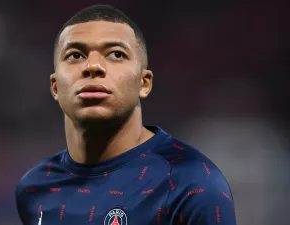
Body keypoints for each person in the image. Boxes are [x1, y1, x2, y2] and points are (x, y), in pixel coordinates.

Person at [15, 4, 236, 225]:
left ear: (144, 83)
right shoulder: (34, 188)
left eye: (116, 54)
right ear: (55, 86)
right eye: (75, 55)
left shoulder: (192, 183)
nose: (93, 66)